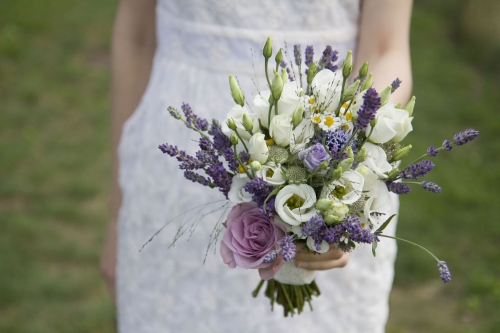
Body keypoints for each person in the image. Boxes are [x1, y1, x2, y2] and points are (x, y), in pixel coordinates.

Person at [101, 0, 413, 332]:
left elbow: (385, 47)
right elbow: (136, 36)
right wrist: (118, 212)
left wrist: (339, 171)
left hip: (328, 137)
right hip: (171, 173)